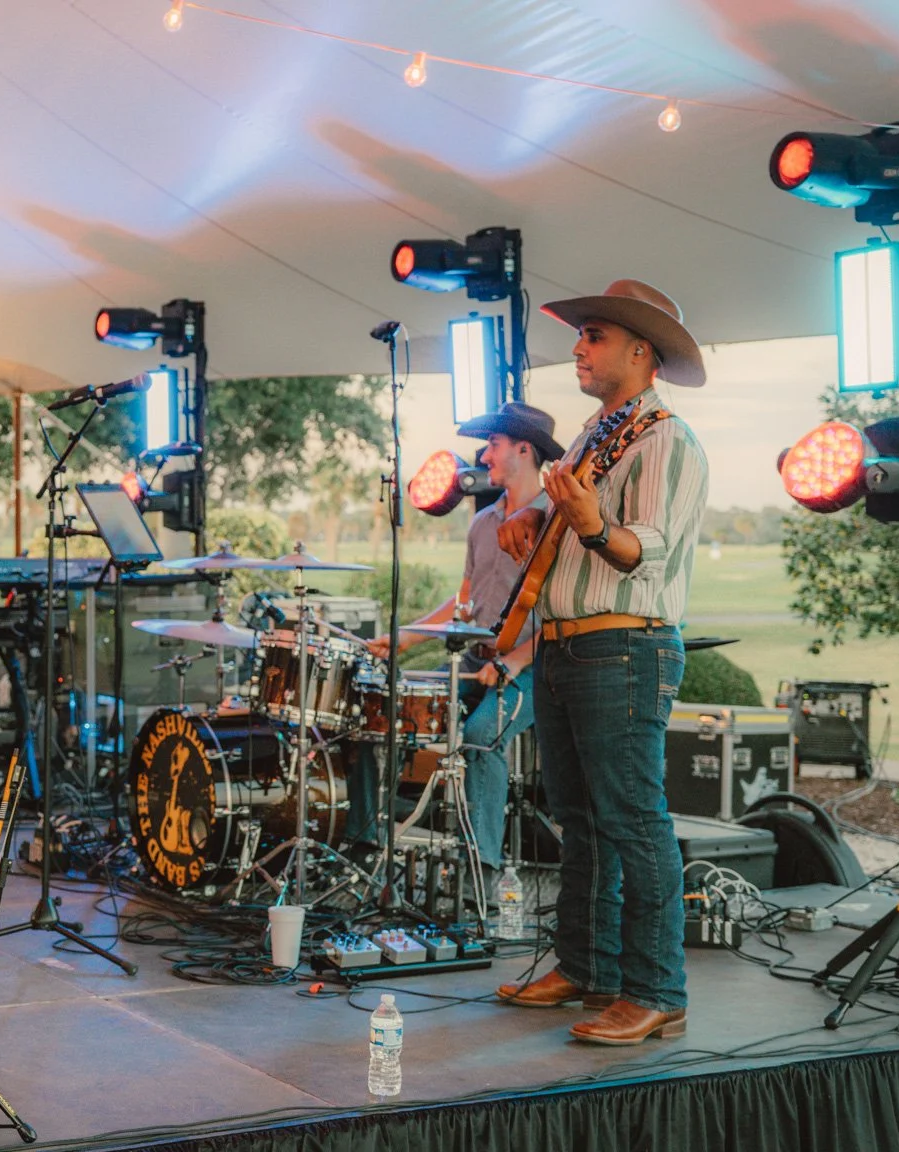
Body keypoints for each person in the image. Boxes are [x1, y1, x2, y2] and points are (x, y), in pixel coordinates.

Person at [492, 280, 709, 1047]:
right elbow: (566, 526)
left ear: (640, 351)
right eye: (580, 336)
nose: (578, 348)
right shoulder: (595, 435)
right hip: (566, 645)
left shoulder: (666, 440)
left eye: (594, 336)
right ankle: (588, 968)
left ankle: (656, 992)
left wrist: (588, 526)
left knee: (632, 822)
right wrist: (530, 523)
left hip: (624, 647)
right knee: (579, 821)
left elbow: (640, 550)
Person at [347, 403, 563, 872]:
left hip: (534, 668)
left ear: (524, 450)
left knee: (481, 734)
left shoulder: (556, 523)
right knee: (378, 709)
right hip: (475, 663)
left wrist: (515, 661)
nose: (484, 456)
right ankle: (363, 848)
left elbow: (561, 615)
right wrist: (405, 637)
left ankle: (481, 867)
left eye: (494, 445)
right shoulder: (483, 523)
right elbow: (464, 600)